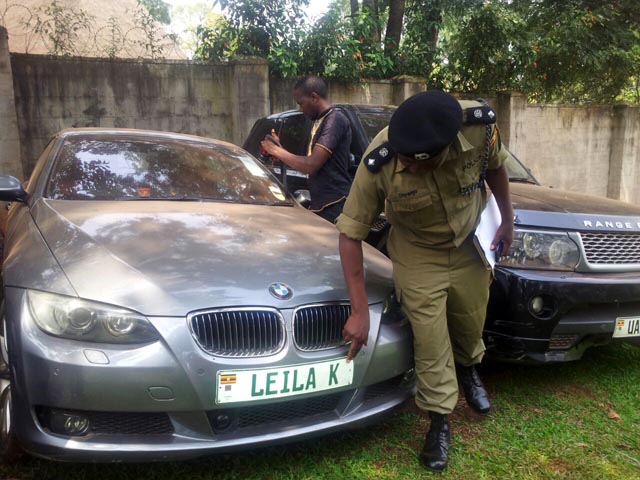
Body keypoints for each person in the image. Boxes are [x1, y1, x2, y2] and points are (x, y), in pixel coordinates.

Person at [336, 91, 514, 472]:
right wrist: (359, 311)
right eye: (405, 163)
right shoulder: (380, 160)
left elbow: (497, 168)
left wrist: (508, 219)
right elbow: (350, 234)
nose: (410, 168)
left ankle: (468, 367)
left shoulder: (480, 128)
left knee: (469, 322)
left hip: (470, 245)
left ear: (446, 148)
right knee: (430, 337)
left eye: (422, 165)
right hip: (418, 253)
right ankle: (439, 421)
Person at [260, 76, 352, 223]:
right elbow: (306, 161)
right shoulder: (319, 121)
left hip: (335, 204)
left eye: (301, 103)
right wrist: (280, 149)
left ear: (314, 97)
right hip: (321, 204)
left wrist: (277, 151)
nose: (301, 109)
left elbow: (311, 165)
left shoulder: (335, 120)